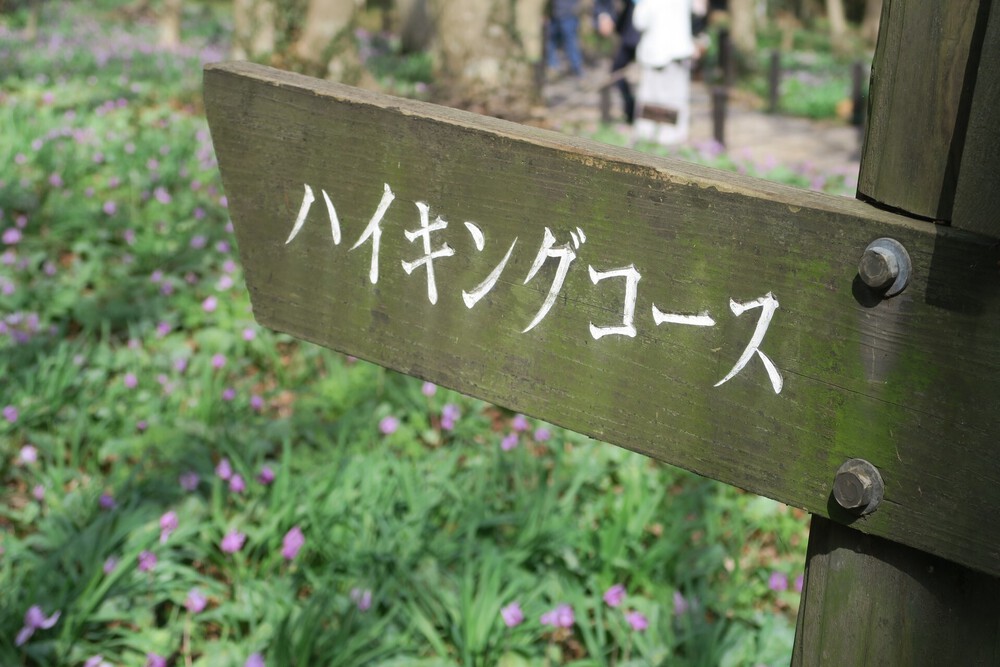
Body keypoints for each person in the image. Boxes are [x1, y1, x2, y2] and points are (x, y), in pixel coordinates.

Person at [632, 0, 703, 145]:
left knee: (650, 101)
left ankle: (648, 139)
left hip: (654, 53)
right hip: (679, 52)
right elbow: (699, 11)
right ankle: (672, 141)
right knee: (675, 102)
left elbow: (640, 21)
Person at [594, 0, 640, 124]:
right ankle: (630, 110)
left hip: (642, 34)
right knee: (616, 71)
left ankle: (635, 112)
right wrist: (605, 15)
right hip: (628, 32)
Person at [546, 0, 584, 77]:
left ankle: (577, 69)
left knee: (571, 43)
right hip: (555, 15)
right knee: (552, 41)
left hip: (569, 15)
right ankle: (553, 66)